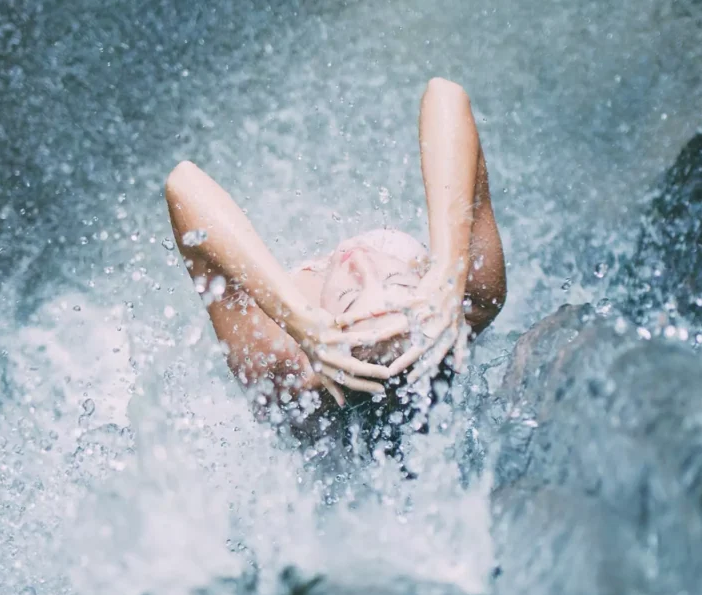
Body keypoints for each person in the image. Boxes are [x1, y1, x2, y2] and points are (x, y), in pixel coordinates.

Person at [165, 78, 506, 425]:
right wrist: (448, 267)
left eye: (347, 297)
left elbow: (183, 184)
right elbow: (445, 94)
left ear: (321, 342)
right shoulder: (468, 304)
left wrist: (295, 318)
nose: (360, 260)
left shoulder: (283, 369)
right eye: (396, 280)